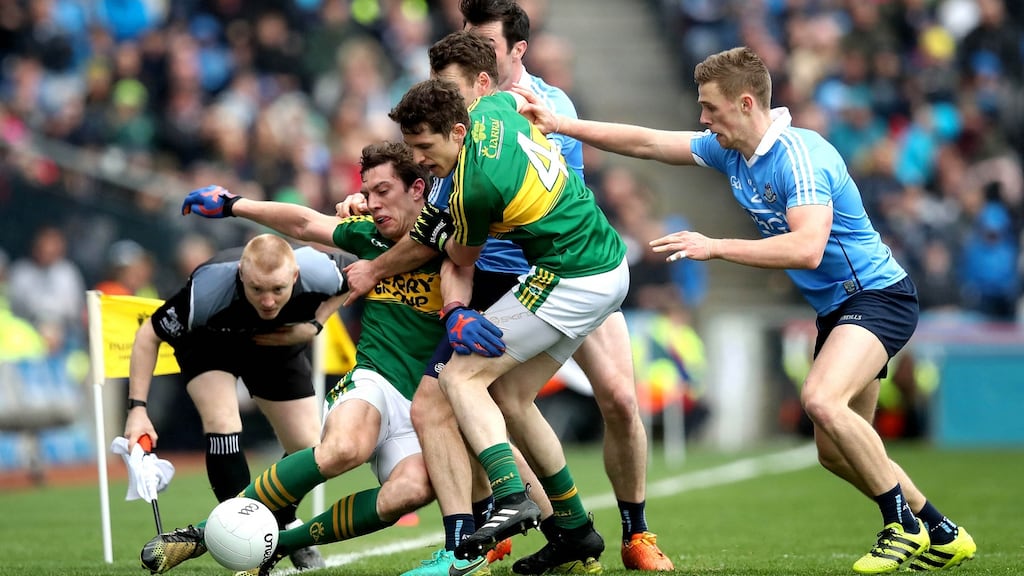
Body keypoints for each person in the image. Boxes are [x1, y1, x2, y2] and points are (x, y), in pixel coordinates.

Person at [515, 46, 977, 574]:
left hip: (877, 297)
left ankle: (903, 527)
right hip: (839, 308)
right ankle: (942, 530)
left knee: (822, 400)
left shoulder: (801, 156)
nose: (703, 119)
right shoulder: (730, 150)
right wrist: (562, 125)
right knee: (837, 449)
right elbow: (646, 142)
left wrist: (715, 246)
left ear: (747, 102)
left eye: (711, 109)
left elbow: (806, 248)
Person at [140, 142, 500, 576]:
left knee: (409, 492)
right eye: (367, 193)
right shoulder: (366, 234)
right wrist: (235, 204)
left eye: (383, 191)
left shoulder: (457, 239)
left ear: (418, 189)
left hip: (429, 401)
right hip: (374, 379)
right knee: (342, 449)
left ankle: (275, 543)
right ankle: (203, 533)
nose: (371, 203)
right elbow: (305, 222)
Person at [385, 57, 631, 573]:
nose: (420, 159)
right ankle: (575, 532)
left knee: (460, 378)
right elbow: (518, 101)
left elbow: (461, 258)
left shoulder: (474, 187)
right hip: (605, 264)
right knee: (512, 396)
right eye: (410, 148)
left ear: (456, 130)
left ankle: (509, 496)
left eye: (425, 148)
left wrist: (443, 268)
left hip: (572, 274)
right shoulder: (495, 106)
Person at [127, 232, 346, 573]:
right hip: (210, 345)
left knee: (310, 446)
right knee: (223, 422)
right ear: (241, 274)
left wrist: (316, 324)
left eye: (278, 289)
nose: (269, 300)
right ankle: (242, 539)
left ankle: (283, 521)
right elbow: (148, 335)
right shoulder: (207, 290)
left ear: (295, 276)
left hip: (275, 344)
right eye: (257, 288)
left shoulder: (322, 269)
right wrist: (137, 409)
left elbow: (365, 277)